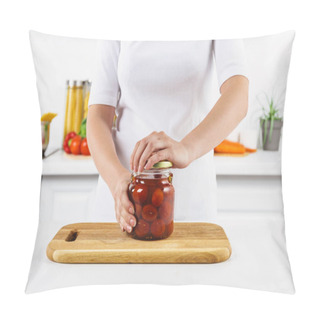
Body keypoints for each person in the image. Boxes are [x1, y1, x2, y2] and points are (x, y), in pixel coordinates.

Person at [87, 40, 249, 233]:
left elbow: (238, 93)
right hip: (122, 203)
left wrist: (186, 149)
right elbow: (98, 116)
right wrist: (118, 182)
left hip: (190, 206)